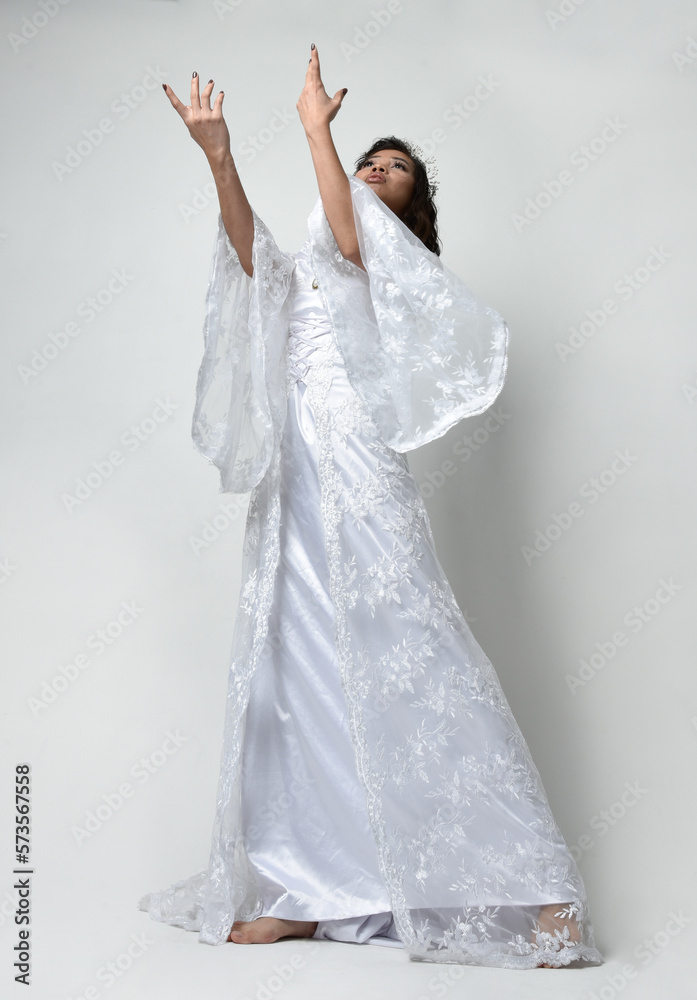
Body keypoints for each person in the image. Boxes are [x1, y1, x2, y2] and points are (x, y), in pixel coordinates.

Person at [138, 45, 604, 970]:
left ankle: (541, 884)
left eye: (393, 169)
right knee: (292, 669)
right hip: (292, 471)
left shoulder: (381, 258)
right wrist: (219, 156)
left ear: (410, 210)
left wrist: (318, 131)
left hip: (354, 456)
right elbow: (251, 256)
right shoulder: (310, 261)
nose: (373, 167)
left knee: (414, 649)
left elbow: (353, 238)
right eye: (367, 159)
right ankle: (310, 889)